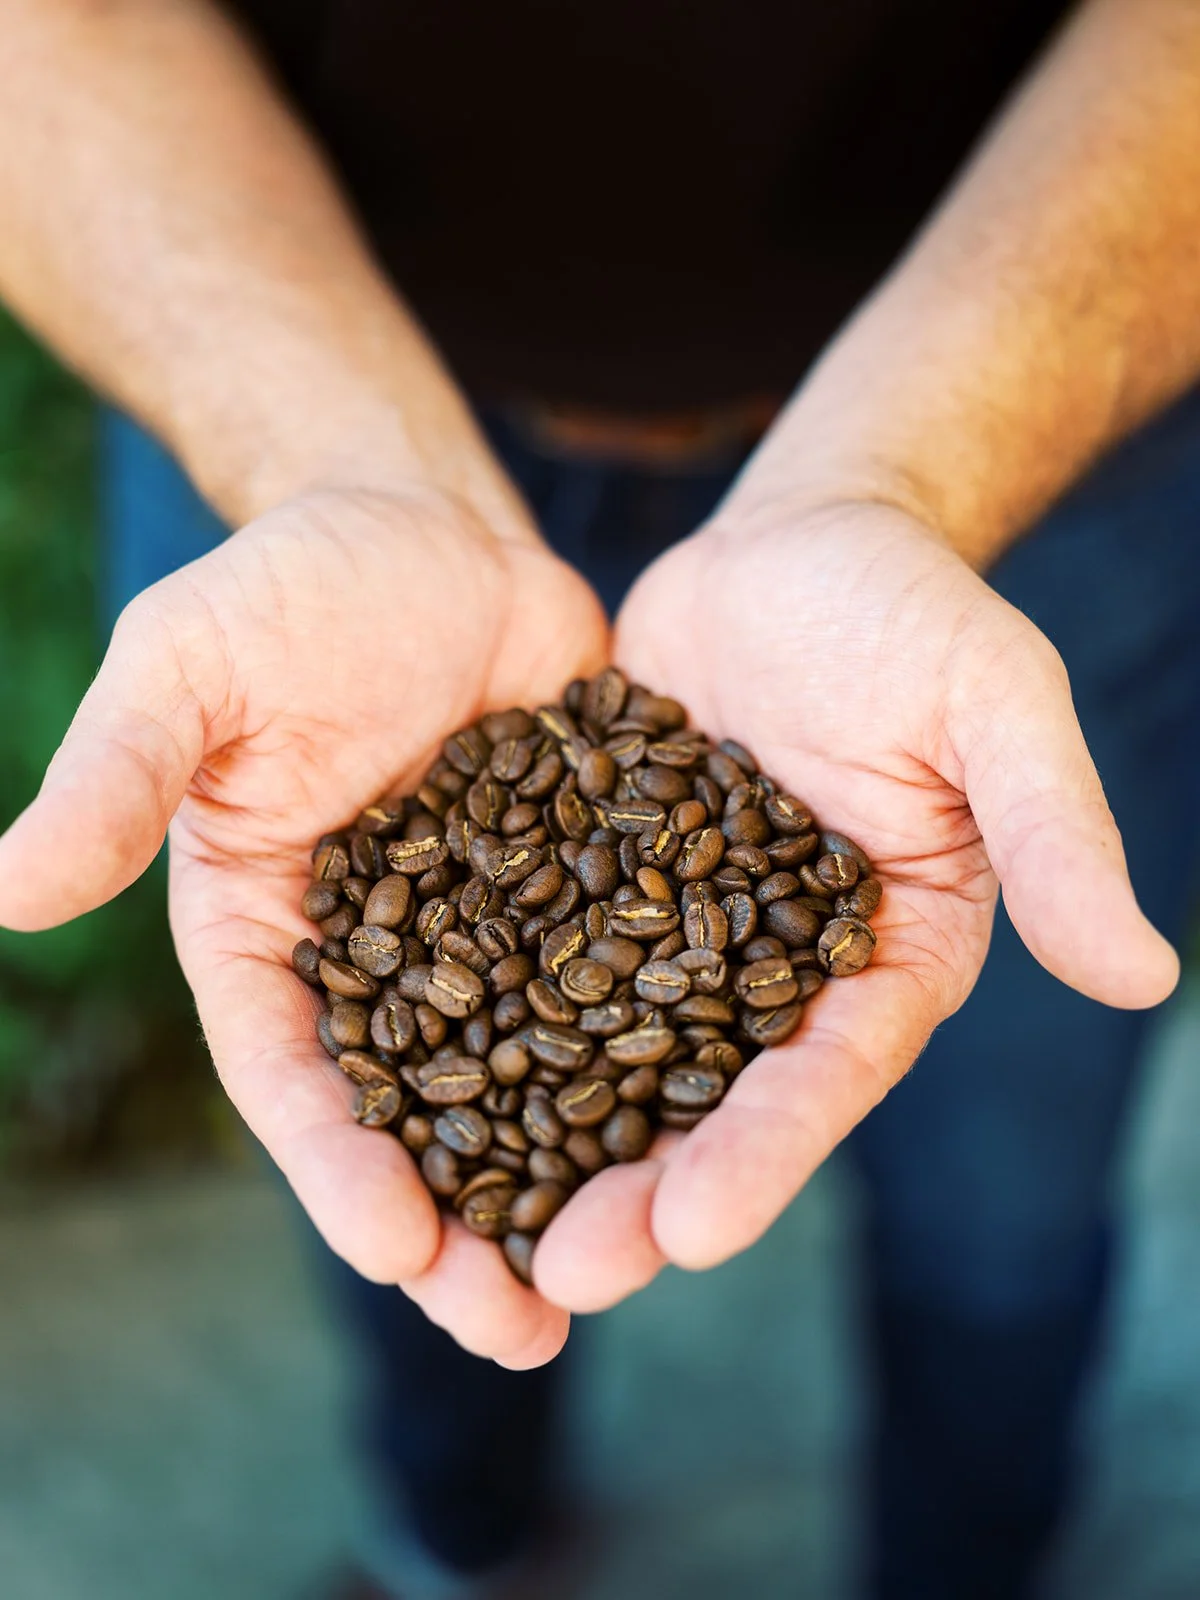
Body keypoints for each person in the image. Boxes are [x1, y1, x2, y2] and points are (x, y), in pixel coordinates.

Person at [1, 2, 1198, 1596]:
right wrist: (330, 464)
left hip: (1046, 402)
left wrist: (901, 473)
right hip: (283, 382)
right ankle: (452, 1538)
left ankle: (968, 1563)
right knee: (385, 1178)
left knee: (1007, 1204)